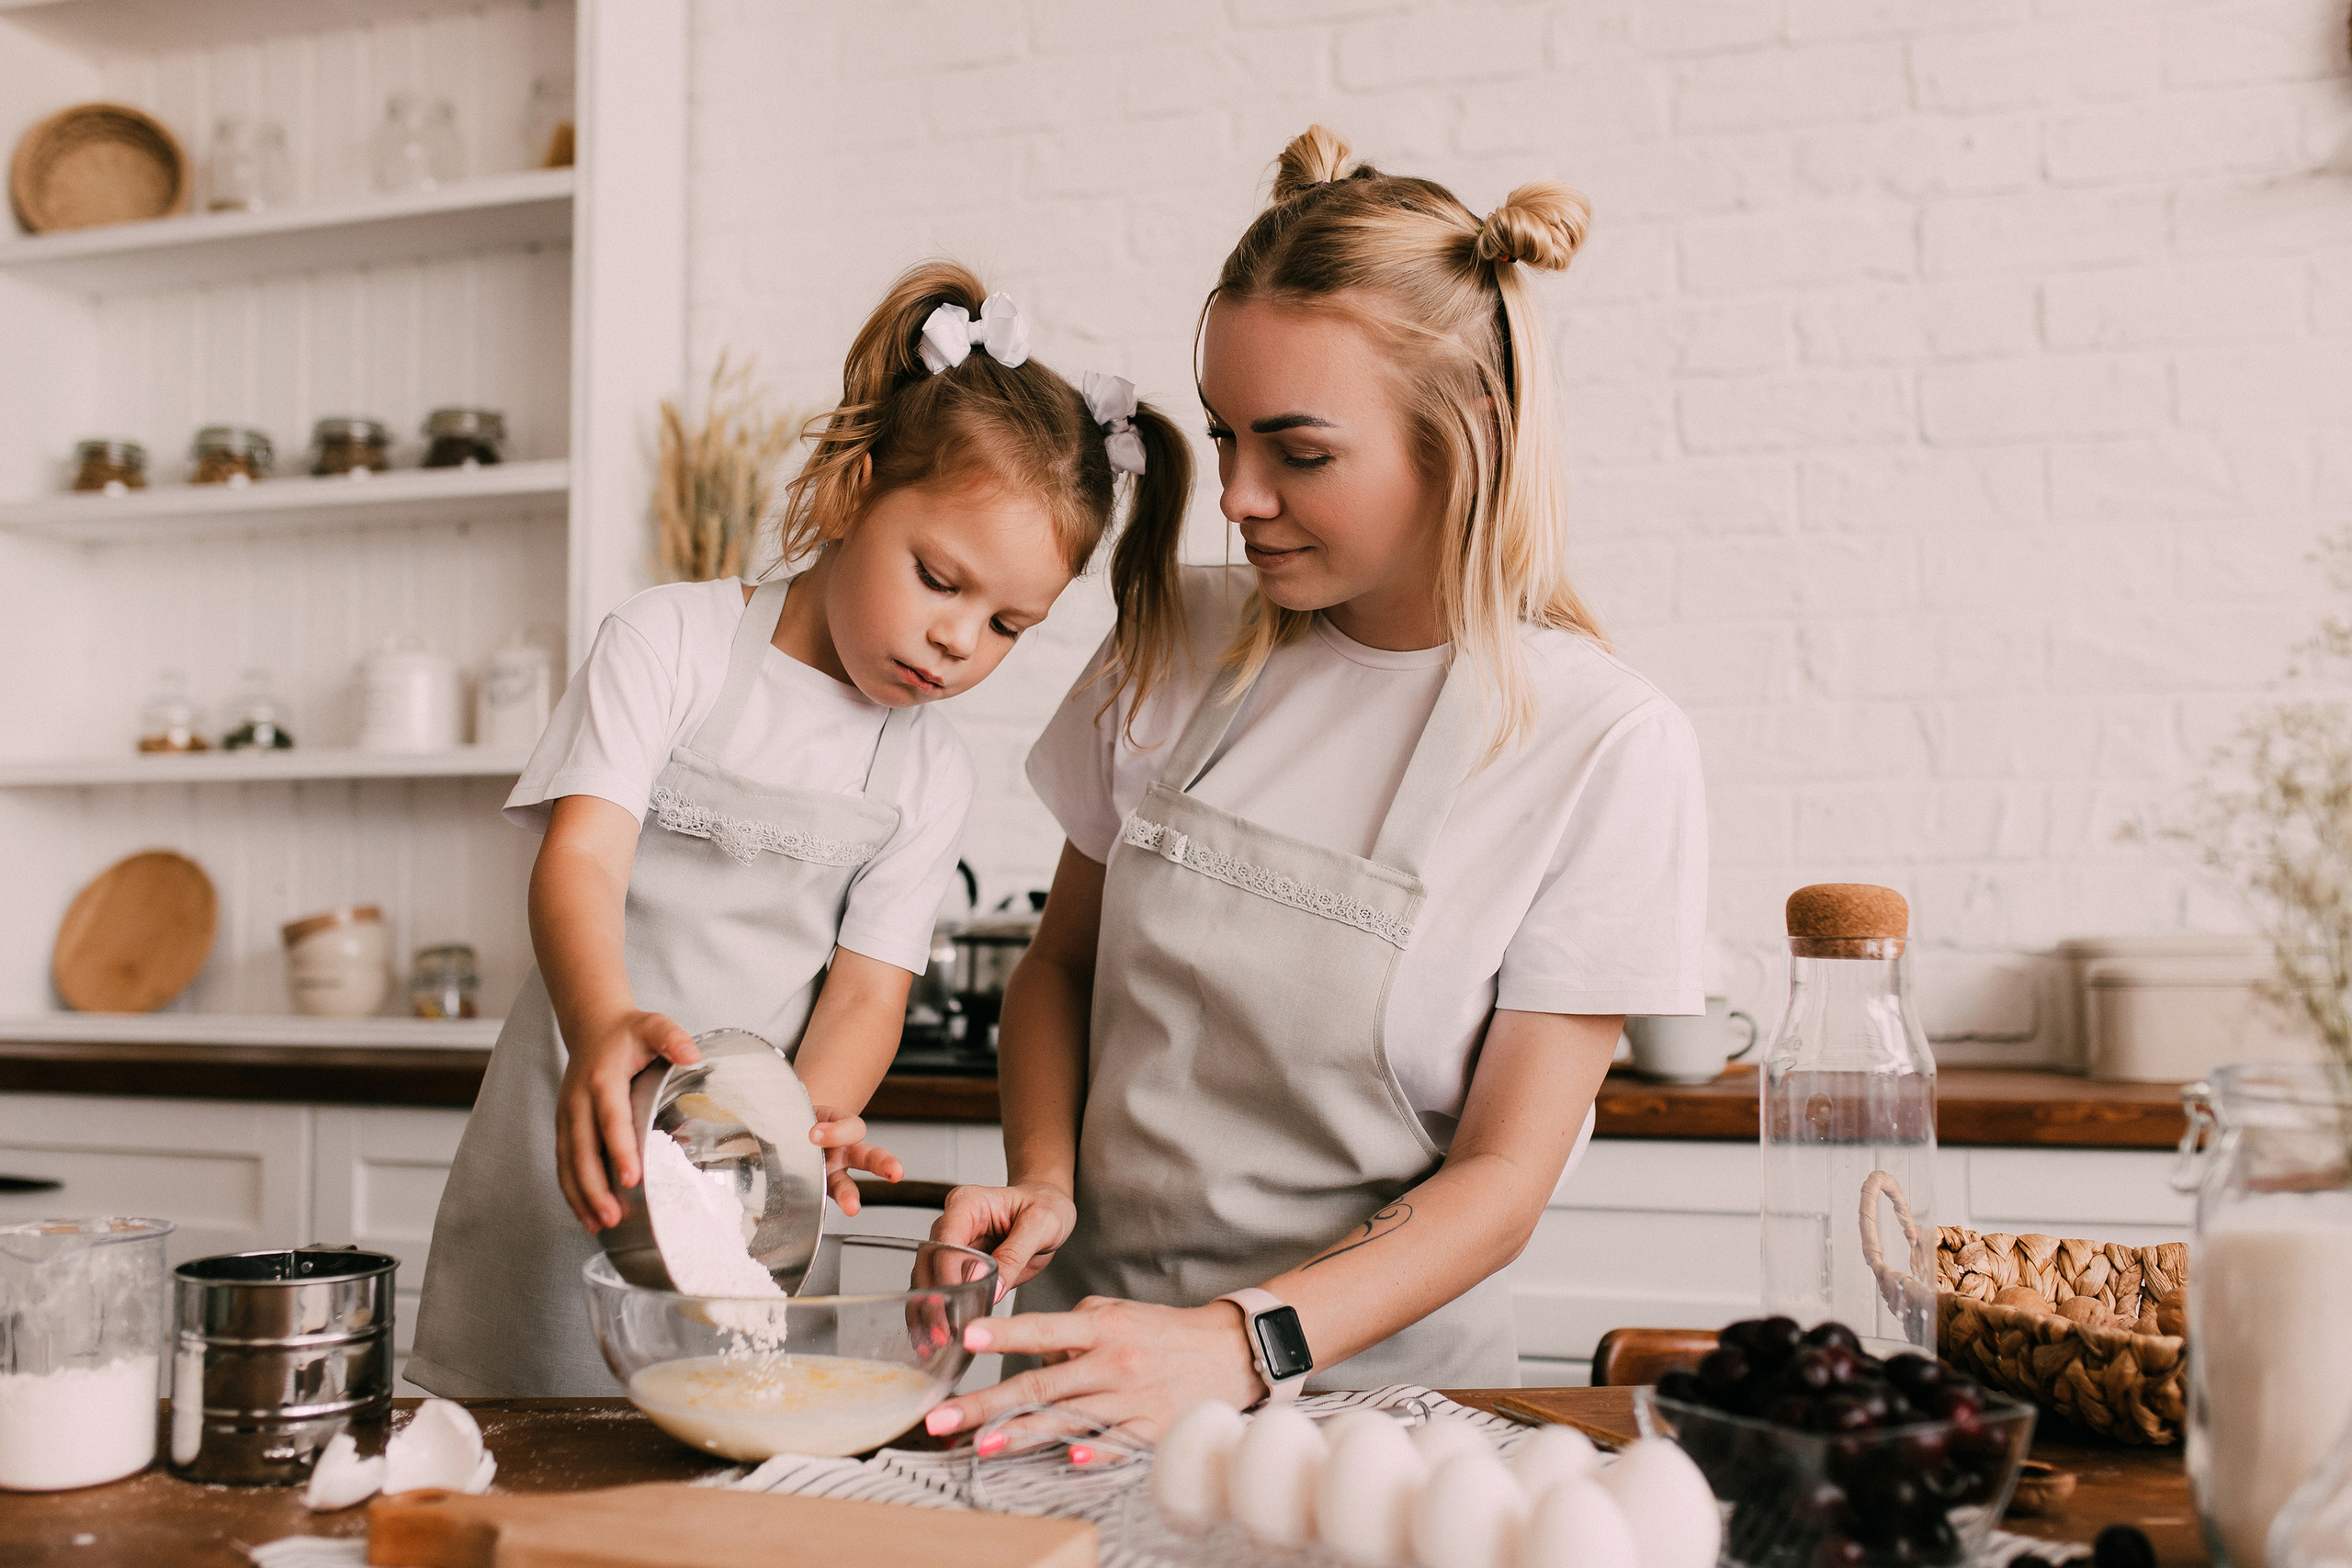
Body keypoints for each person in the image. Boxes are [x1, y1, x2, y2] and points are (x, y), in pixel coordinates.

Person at [927, 127, 1709, 1435]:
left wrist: (1239, 1343)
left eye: (1298, 452)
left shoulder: (1604, 744)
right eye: (1224, 435)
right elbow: (1060, 967)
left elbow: (1503, 1178)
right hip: (1085, 1373)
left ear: (1466, 439)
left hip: (1380, 1416)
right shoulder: (1174, 635)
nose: (1236, 496)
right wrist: (1043, 1177)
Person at [409, 261, 1192, 1396]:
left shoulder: (927, 772)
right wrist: (603, 1029)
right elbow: (581, 860)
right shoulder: (670, 646)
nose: (959, 641)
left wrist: (809, 1125)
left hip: (745, 1181)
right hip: (567, 1136)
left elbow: (866, 993)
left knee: (716, 1434)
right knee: (519, 1430)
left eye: (1007, 625)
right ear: (852, 493)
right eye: (939, 579)